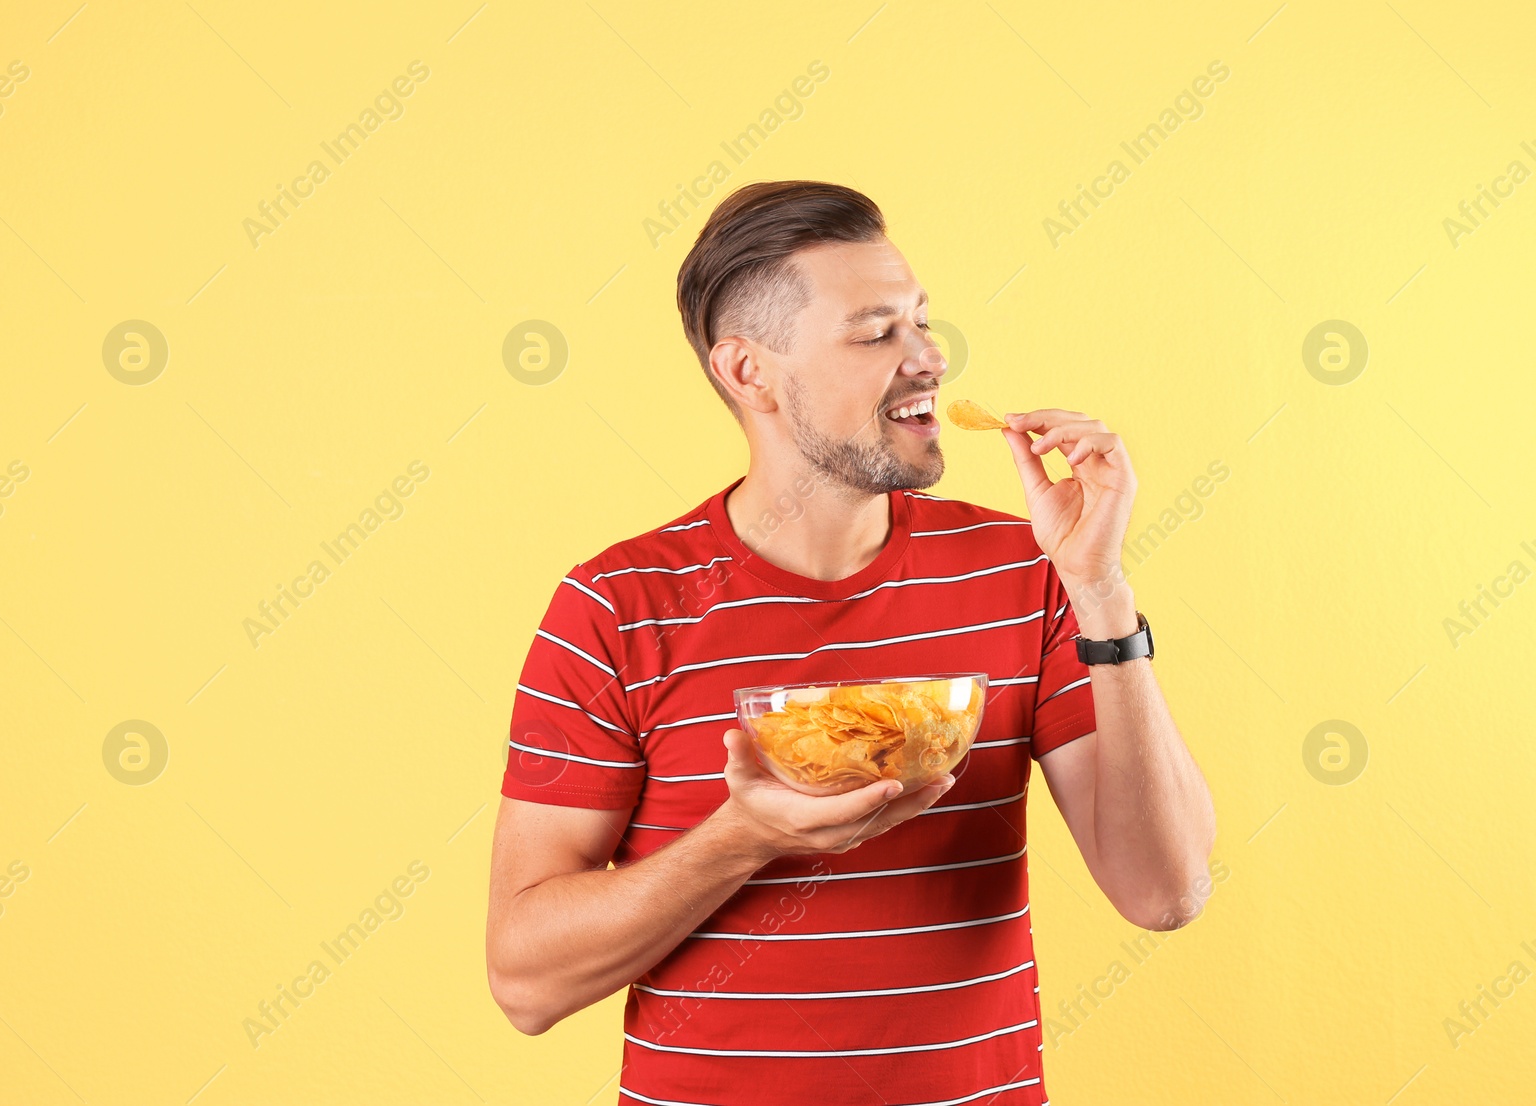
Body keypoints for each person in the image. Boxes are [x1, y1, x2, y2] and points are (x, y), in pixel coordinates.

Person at [486, 180, 1216, 1105]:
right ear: (749, 372)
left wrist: (1101, 591)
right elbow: (524, 984)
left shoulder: (1025, 572)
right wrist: (740, 839)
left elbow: (1166, 894)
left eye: (922, 322)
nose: (929, 357)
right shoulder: (619, 608)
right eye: (877, 335)